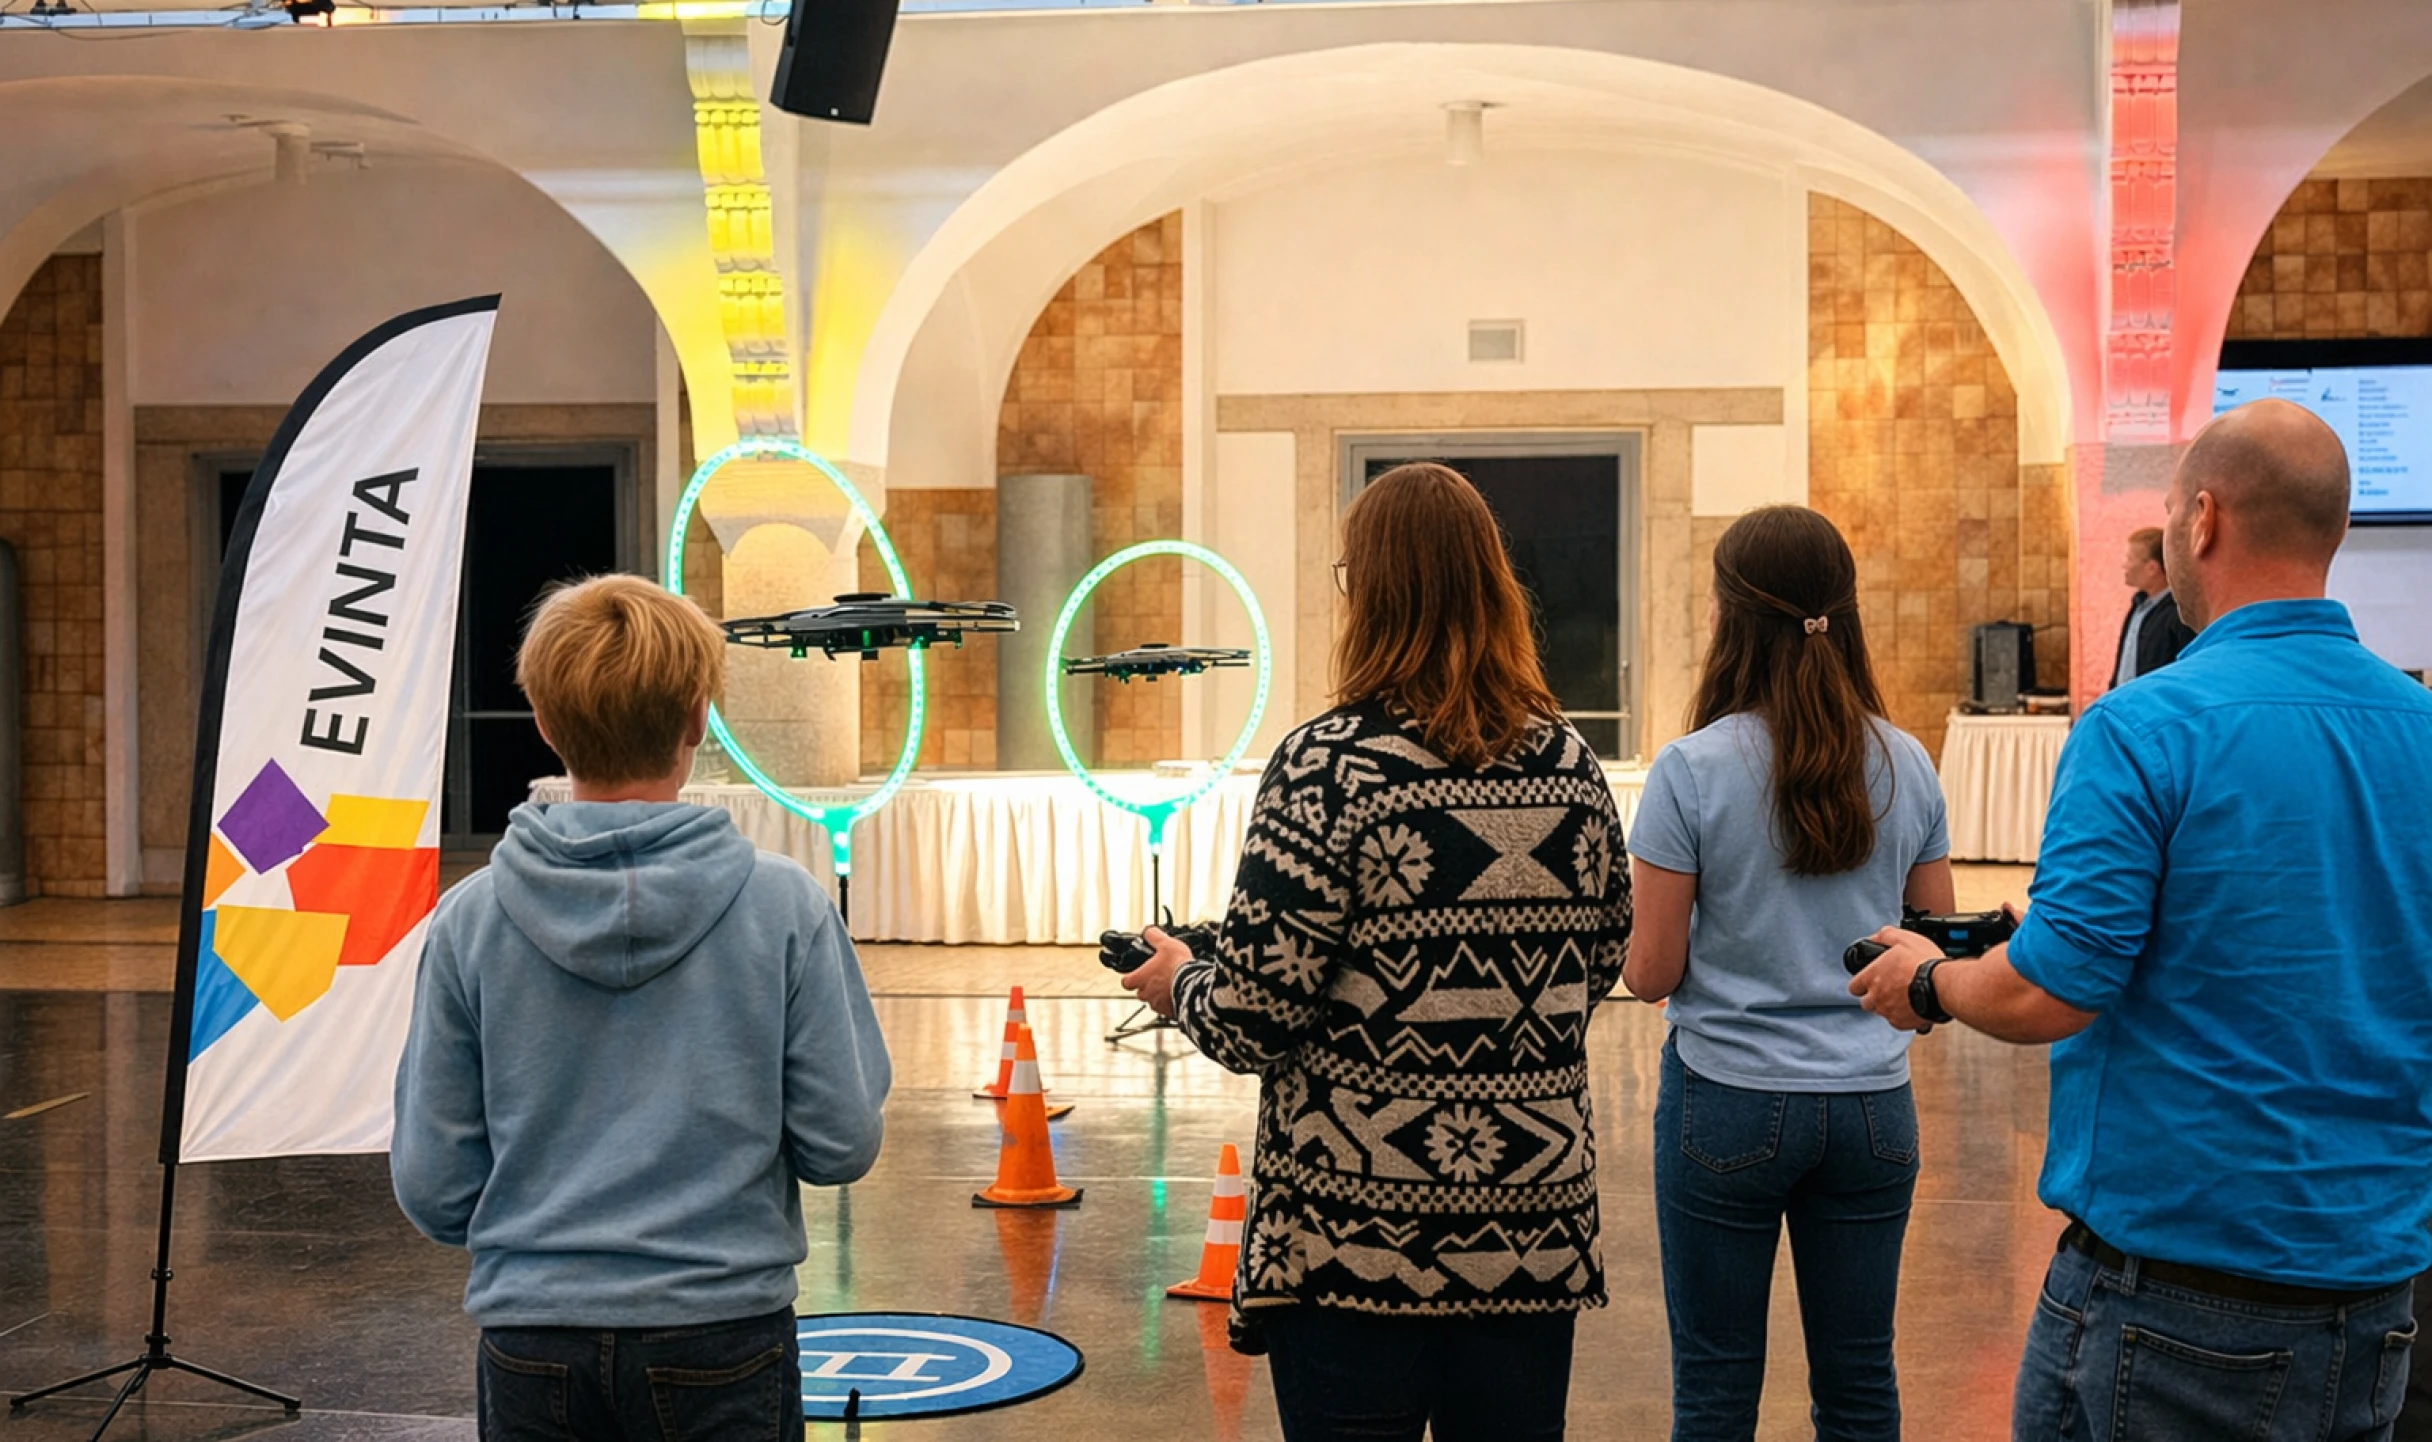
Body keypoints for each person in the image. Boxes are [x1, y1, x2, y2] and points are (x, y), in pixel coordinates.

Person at [1850, 398, 2432, 1442]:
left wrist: (1926, 981)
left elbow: (2048, 987)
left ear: (2200, 519)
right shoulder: (2419, 727)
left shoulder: (2140, 727)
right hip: (2376, 1283)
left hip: (2172, 1297)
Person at [1120, 462, 1632, 1442]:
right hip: (1527, 1229)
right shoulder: (1567, 762)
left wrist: (1178, 978)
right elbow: (1596, 956)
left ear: (1368, 595)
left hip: (1352, 1241)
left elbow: (1254, 1013)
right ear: (1494, 586)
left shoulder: (1327, 764)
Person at [391, 574, 891, 1442]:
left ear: (545, 724)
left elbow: (434, 1188)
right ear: (700, 720)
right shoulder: (786, 908)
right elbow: (841, 1143)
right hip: (725, 1329)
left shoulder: (468, 921)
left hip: (532, 1337)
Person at [1622, 505, 1950, 1442]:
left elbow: (1652, 973)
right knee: (1858, 1382)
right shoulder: (1907, 762)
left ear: (1728, 617)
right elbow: (1931, 949)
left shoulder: (1690, 770)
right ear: (1843, 613)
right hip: (1871, 1108)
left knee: (1717, 1387)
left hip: (1726, 1099)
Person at [2110, 525, 2194, 687]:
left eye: (2129, 559)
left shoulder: (2179, 615)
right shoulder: (2138, 607)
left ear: (2152, 568)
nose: (2124, 565)